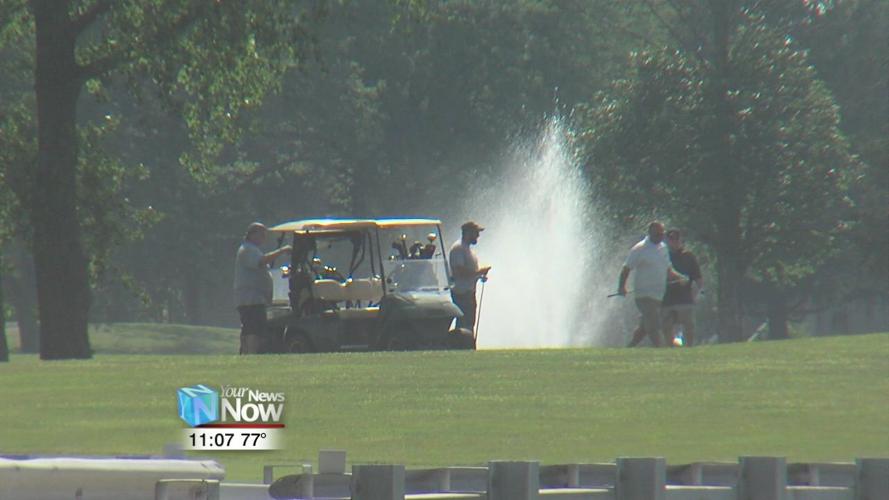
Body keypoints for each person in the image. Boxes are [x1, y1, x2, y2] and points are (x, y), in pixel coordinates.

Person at [617, 221, 687, 347]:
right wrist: (621, 287)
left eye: (662, 234)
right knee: (654, 324)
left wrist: (681, 278)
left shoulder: (663, 248)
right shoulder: (640, 249)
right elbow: (626, 268)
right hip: (644, 295)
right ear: (650, 233)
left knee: (645, 326)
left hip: (659, 295)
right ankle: (660, 349)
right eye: (657, 234)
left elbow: (668, 270)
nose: (660, 237)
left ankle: (630, 347)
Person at [233, 222, 291, 354]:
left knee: (250, 328)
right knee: (254, 330)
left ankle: (246, 353)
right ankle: (251, 354)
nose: (264, 238)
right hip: (250, 299)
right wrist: (282, 251)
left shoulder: (253, 250)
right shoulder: (247, 249)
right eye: (262, 235)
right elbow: (261, 261)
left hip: (255, 299)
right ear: (252, 234)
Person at [661, 229, 703, 347]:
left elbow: (698, 278)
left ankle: (689, 348)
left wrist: (697, 293)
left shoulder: (688, 256)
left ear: (680, 240)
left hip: (685, 298)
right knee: (667, 327)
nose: (673, 242)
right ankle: (670, 349)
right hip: (667, 299)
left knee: (688, 326)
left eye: (676, 239)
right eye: (671, 239)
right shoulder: (663, 256)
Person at [449, 221, 491, 334]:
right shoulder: (458, 248)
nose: (478, 235)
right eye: (476, 232)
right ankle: (462, 343)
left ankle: (467, 342)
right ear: (468, 233)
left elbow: (469, 272)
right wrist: (479, 272)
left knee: (469, 323)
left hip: (469, 293)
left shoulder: (467, 249)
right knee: (464, 325)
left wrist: (480, 275)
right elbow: (459, 271)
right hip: (461, 294)